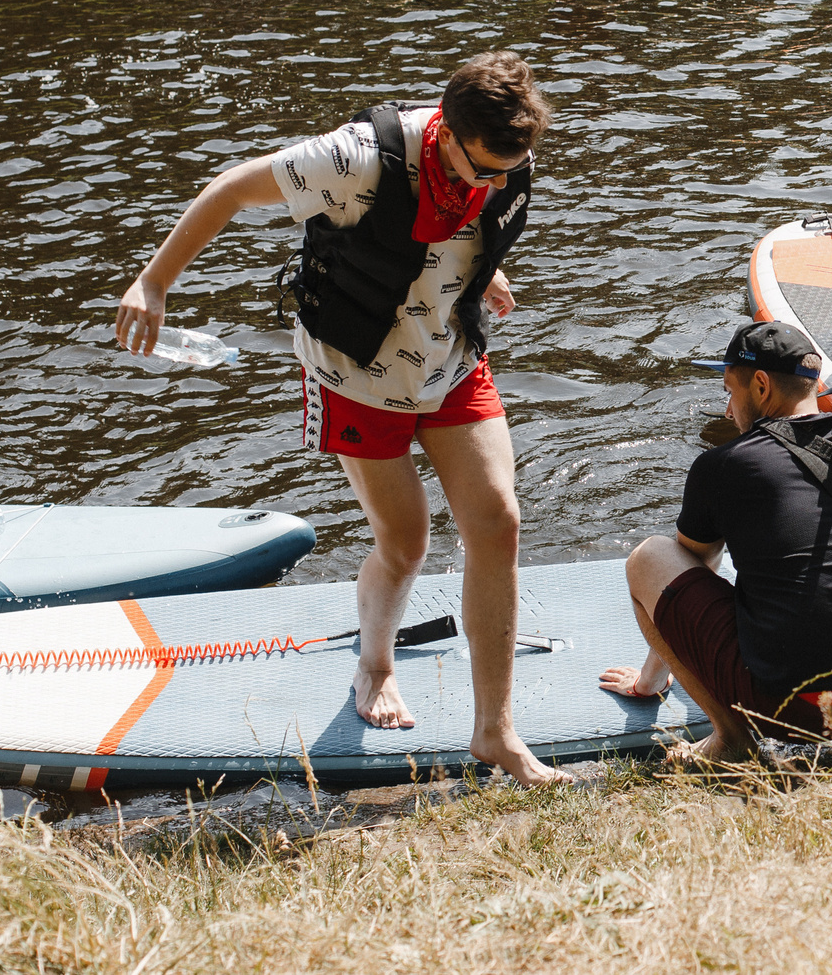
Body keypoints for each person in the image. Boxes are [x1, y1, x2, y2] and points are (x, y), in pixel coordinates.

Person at [113, 51, 568, 786]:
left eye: (505, 173)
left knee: (498, 521)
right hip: (356, 370)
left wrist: (482, 261)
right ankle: (375, 664)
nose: (493, 183)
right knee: (407, 541)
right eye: (479, 170)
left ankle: (496, 731)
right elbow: (230, 188)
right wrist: (153, 282)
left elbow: (466, 217)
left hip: (448, 357)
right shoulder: (356, 160)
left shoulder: (506, 159)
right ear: (446, 133)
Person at [599, 321, 832, 764]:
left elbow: (688, 573)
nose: (728, 407)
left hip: (786, 708)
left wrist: (650, 678)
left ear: (760, 385)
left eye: (730, 391)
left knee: (648, 558)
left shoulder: (721, 467)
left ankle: (731, 737)